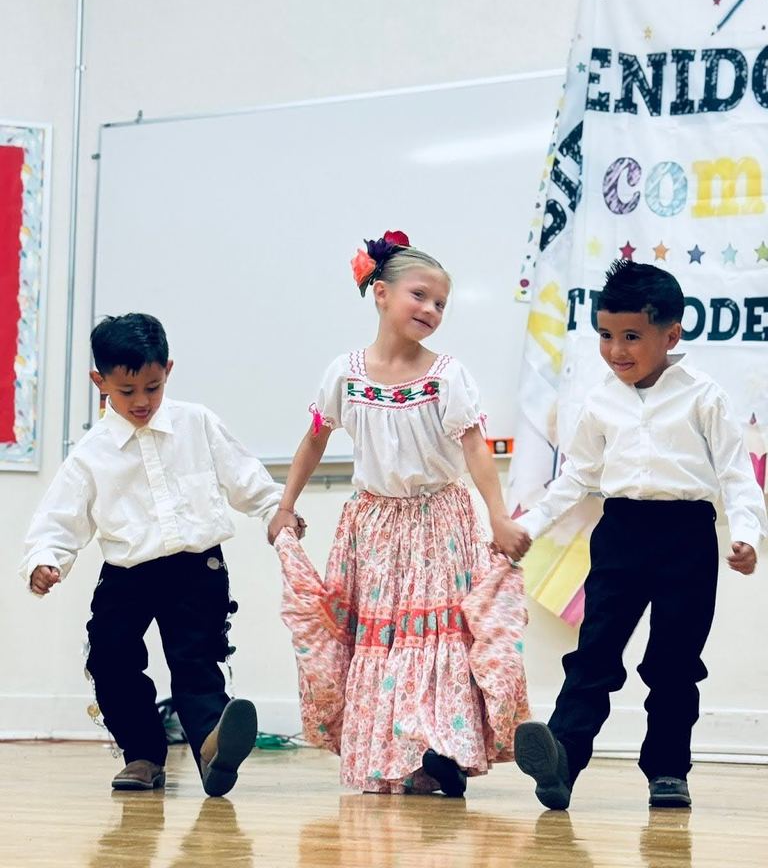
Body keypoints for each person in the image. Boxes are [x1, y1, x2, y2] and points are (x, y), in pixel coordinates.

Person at [268, 231, 531, 796]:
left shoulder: (447, 375)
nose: (432, 310)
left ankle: (443, 752)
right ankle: (399, 758)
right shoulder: (346, 373)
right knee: (382, 642)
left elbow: (474, 447)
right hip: (373, 526)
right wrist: (285, 506)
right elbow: (314, 440)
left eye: (441, 304)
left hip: (439, 520)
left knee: (437, 637)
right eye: (420, 296)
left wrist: (498, 518)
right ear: (381, 293)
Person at [513, 260, 767, 810]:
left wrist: (745, 533)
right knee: (595, 652)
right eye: (606, 335)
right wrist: (529, 525)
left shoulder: (705, 397)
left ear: (671, 334)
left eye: (631, 336)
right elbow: (577, 476)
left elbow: (735, 476)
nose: (616, 350)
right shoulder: (599, 401)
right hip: (621, 531)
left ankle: (668, 772)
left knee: (673, 663)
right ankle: (561, 758)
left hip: (687, 538)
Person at [20, 313, 298, 796]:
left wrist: (278, 510)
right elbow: (61, 519)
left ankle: (213, 749)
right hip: (127, 574)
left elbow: (246, 477)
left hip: (198, 569)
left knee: (196, 660)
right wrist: (47, 559)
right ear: (99, 381)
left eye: (153, 386)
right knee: (110, 658)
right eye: (127, 393)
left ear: (168, 369)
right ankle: (143, 756)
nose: (143, 401)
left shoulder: (198, 423)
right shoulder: (91, 452)